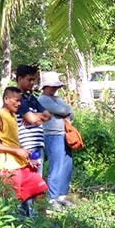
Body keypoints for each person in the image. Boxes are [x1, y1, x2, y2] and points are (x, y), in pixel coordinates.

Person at [0, 87, 35, 216]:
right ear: (6, 99)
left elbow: (12, 141)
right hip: (7, 166)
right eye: (16, 100)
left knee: (39, 192)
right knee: (13, 202)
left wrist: (27, 156)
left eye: (20, 101)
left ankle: (40, 224)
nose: (19, 104)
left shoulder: (13, 115)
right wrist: (16, 151)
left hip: (20, 163)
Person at [37, 72, 77, 210]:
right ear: (45, 86)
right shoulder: (42, 100)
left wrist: (64, 111)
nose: (54, 89)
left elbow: (69, 111)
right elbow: (62, 110)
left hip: (64, 134)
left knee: (67, 166)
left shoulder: (57, 98)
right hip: (52, 135)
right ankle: (52, 198)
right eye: (52, 86)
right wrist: (64, 111)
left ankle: (62, 196)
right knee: (56, 166)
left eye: (56, 86)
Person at [15, 64, 48, 172]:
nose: (32, 83)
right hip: (27, 145)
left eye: (33, 80)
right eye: (29, 79)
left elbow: (48, 115)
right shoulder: (17, 97)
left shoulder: (32, 98)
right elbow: (32, 120)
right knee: (32, 178)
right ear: (20, 78)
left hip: (38, 144)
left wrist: (35, 115)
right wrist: (36, 117)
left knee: (38, 177)